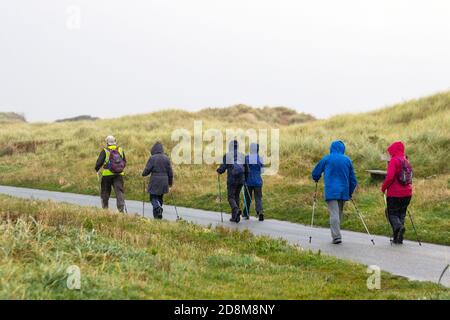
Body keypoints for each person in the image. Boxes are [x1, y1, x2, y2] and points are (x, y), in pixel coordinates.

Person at [311, 140, 357, 244]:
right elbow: (353, 180)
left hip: (331, 190)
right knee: (338, 213)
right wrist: (350, 192)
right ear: (343, 149)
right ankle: (337, 234)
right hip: (343, 191)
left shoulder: (327, 158)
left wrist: (316, 177)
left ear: (331, 148)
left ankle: (336, 236)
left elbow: (316, 172)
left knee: (334, 213)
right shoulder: (347, 160)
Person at [381, 141, 413, 244]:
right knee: (401, 214)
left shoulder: (394, 161)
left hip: (395, 193)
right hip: (407, 193)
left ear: (394, 150)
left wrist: (383, 188)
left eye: (390, 152)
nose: (390, 154)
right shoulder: (406, 160)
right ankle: (398, 238)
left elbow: (389, 177)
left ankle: (399, 227)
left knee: (391, 213)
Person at [217, 140, 248, 223]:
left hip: (232, 180)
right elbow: (247, 169)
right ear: (237, 146)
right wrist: (245, 179)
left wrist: (219, 170)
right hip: (241, 180)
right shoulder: (242, 156)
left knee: (230, 197)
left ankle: (236, 210)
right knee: (236, 197)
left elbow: (223, 168)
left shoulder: (227, 156)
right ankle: (235, 217)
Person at [95, 135, 127, 212]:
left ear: (107, 142)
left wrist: (96, 169)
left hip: (107, 175)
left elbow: (99, 162)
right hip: (119, 174)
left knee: (105, 192)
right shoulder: (120, 150)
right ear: (115, 142)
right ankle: (121, 210)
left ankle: (105, 209)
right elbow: (124, 161)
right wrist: (119, 169)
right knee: (119, 192)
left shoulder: (105, 151)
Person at [142, 142, 173, 219]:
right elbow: (170, 172)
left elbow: (147, 169)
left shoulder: (152, 158)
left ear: (153, 150)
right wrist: (170, 183)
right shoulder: (166, 158)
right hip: (164, 181)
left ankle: (158, 208)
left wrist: (144, 174)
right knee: (160, 198)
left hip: (155, 180)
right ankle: (157, 217)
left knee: (153, 197)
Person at [243, 143, 264, 221]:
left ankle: (246, 214)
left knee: (247, 198)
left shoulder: (246, 158)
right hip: (258, 181)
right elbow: (262, 171)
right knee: (258, 198)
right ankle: (260, 212)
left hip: (248, 181)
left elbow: (244, 170)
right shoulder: (260, 158)